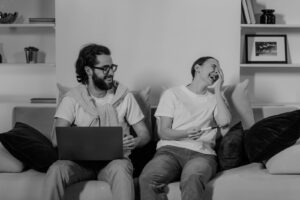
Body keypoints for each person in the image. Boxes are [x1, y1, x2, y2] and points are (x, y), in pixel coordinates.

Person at [44, 43, 150, 200]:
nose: (111, 73)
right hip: (78, 164)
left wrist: (135, 141)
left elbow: (145, 134)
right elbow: (56, 140)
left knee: (121, 168)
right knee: (56, 169)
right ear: (88, 70)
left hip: (114, 162)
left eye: (112, 67)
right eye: (105, 68)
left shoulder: (124, 96)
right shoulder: (72, 98)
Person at [139, 56, 231, 200]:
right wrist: (186, 133)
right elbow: (163, 132)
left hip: (202, 154)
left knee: (192, 178)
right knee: (147, 178)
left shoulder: (215, 99)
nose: (217, 72)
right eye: (214, 66)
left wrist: (218, 90)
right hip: (169, 152)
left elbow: (224, 122)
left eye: (219, 69)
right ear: (197, 68)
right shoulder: (172, 94)